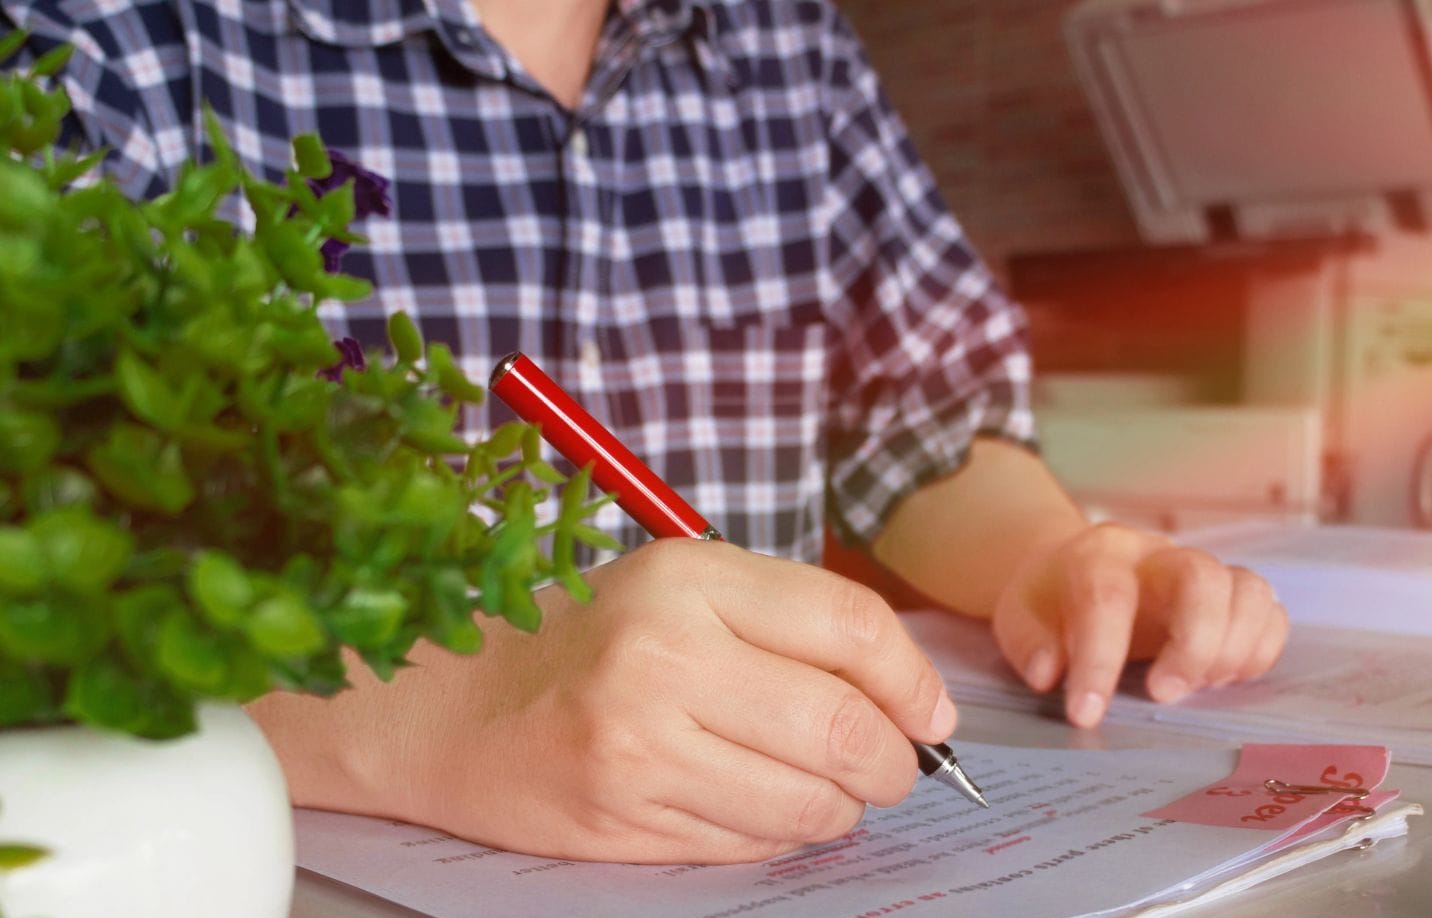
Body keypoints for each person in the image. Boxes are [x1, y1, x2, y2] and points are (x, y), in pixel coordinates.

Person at [3, 0, 1288, 864]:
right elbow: (41, 583)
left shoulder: (785, 39)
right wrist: (432, 704)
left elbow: (919, 418)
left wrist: (1046, 555)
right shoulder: (103, 39)